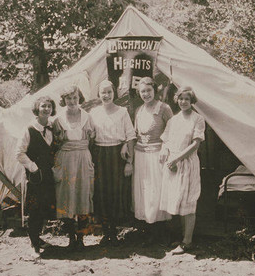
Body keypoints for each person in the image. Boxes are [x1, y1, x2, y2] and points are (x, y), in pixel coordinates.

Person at [159, 86, 205, 254]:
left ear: (191, 101)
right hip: (173, 164)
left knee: (188, 201)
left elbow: (195, 144)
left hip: (187, 162)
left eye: (187, 99)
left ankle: (188, 241)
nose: (183, 102)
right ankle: (180, 238)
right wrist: (165, 151)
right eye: (181, 98)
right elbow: (166, 140)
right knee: (177, 200)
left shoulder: (197, 119)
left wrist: (176, 159)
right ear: (176, 100)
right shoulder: (173, 120)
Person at [90, 80, 136, 246]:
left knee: (117, 192)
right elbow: (89, 135)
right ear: (99, 94)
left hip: (118, 155)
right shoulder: (94, 113)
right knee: (101, 192)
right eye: (103, 92)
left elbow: (130, 136)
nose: (106, 95)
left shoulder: (122, 112)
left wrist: (129, 162)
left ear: (114, 93)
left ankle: (115, 232)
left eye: (109, 92)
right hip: (100, 154)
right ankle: (106, 231)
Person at [52, 86, 95, 251]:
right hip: (66, 159)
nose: (72, 101)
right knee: (67, 197)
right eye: (68, 98)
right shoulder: (58, 119)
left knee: (83, 195)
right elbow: (55, 143)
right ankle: (71, 238)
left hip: (83, 157)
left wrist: (81, 149)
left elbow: (91, 141)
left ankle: (81, 238)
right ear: (63, 100)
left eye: (75, 97)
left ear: (79, 98)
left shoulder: (87, 117)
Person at [133, 77, 173, 243]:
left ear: (154, 91)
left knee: (156, 193)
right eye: (142, 91)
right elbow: (135, 133)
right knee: (143, 192)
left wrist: (165, 148)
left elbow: (172, 131)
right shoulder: (139, 110)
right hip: (140, 155)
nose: (146, 94)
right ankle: (148, 231)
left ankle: (161, 233)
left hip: (158, 155)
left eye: (148, 90)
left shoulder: (164, 108)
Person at [15, 96, 57, 257]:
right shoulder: (29, 129)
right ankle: (33, 243)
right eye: (43, 106)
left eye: (49, 106)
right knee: (34, 209)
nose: (46, 109)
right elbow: (19, 153)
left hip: (48, 175)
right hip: (34, 177)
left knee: (44, 207)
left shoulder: (53, 128)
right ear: (37, 109)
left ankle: (38, 238)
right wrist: (34, 168)